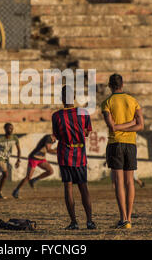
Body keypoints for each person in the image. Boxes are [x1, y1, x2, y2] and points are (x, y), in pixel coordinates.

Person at [101, 73, 144, 229]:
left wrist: (118, 127)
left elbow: (111, 126)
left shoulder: (107, 102)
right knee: (129, 182)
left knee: (119, 182)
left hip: (115, 143)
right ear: (122, 84)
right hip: (131, 144)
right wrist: (131, 123)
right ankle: (130, 219)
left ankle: (123, 218)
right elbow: (140, 125)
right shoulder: (133, 101)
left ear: (110, 86)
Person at [52, 85, 96, 230]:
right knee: (83, 187)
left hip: (64, 154)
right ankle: (89, 221)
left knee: (68, 187)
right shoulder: (83, 113)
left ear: (62, 98)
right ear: (75, 97)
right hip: (80, 155)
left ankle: (74, 222)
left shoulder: (56, 116)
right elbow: (87, 133)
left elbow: (57, 135)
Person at [12, 134, 57, 199]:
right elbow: (49, 150)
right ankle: (16, 190)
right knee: (28, 177)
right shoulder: (49, 138)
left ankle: (34, 180)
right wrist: (58, 151)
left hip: (41, 158)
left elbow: (49, 149)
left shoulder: (53, 139)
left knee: (50, 171)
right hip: (34, 157)